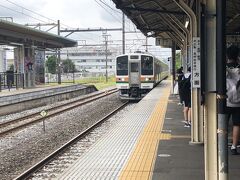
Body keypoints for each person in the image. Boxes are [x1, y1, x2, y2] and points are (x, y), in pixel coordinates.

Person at [226, 45, 240, 155]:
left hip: (225, 100)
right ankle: (234, 147)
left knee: (222, 123)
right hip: (238, 102)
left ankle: (221, 143)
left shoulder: (223, 68)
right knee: (237, 124)